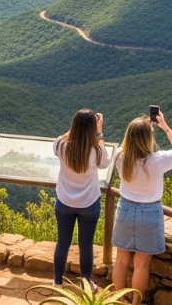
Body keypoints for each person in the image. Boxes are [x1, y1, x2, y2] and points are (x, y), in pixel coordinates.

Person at [111, 112, 172, 305]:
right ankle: (136, 303)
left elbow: (127, 145)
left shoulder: (120, 156)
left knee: (120, 260)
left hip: (125, 209)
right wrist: (164, 126)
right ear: (149, 138)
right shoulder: (158, 159)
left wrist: (141, 128)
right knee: (141, 265)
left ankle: (119, 300)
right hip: (149, 212)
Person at [52, 109, 110, 291]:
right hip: (89, 203)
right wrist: (98, 132)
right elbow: (105, 164)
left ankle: (57, 282)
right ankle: (86, 283)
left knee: (62, 242)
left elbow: (60, 140)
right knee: (86, 245)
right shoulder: (96, 150)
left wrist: (76, 127)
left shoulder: (62, 145)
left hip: (64, 202)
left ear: (73, 125)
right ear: (92, 127)